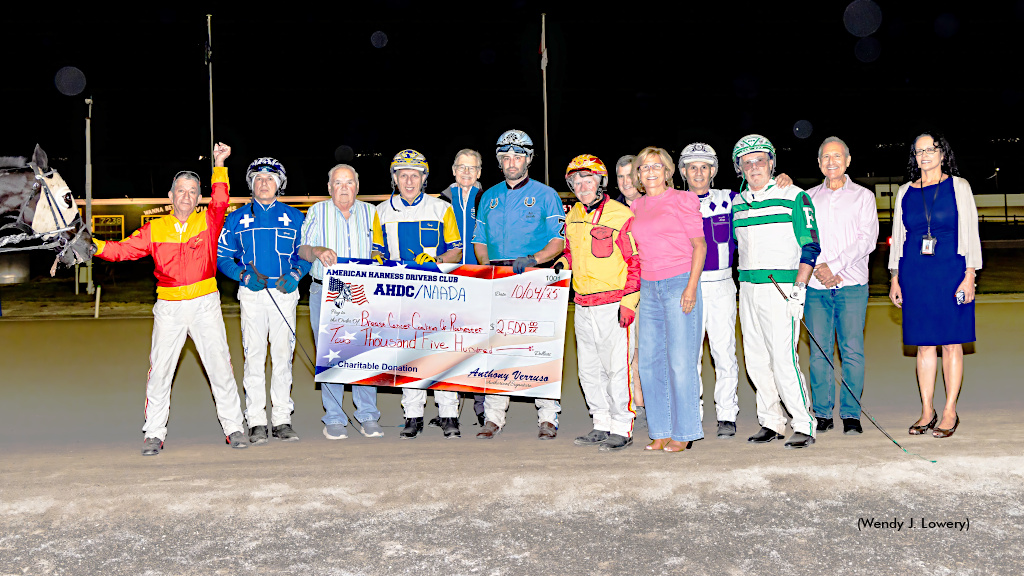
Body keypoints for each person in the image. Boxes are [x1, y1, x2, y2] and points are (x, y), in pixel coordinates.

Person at [92, 143, 247, 455]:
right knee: (160, 370)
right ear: (170, 196)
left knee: (220, 367)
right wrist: (91, 245)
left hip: (205, 303)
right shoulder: (154, 228)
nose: (186, 196)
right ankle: (154, 433)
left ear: (198, 197)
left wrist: (219, 163)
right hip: (169, 308)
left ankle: (234, 427)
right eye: (180, 190)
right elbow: (122, 250)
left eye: (192, 191)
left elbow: (221, 200)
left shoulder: (209, 220)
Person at [471, 129, 566, 440]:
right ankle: (494, 416)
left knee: (540, 347)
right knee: (499, 348)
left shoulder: (546, 194)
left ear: (529, 159)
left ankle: (548, 416)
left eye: (518, 156)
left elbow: (557, 242)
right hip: (499, 281)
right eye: (506, 157)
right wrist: (486, 271)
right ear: (500, 162)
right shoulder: (489, 196)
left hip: (534, 279)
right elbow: (479, 240)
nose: (512, 162)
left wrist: (534, 259)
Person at [888, 132, 980, 439]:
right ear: (914, 157)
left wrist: (970, 274)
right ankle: (927, 410)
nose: (924, 155)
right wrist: (894, 276)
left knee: (952, 343)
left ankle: (950, 410)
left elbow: (971, 231)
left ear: (943, 154)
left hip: (952, 271)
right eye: (919, 151)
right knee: (924, 344)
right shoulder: (904, 192)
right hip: (915, 273)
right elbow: (898, 238)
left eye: (931, 149)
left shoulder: (959, 186)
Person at [731, 134, 820, 449]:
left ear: (772, 163)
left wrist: (800, 288)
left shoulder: (794, 195)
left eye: (760, 160)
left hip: (781, 289)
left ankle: (804, 422)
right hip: (748, 289)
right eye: (747, 162)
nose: (754, 167)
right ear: (739, 168)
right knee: (755, 359)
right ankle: (771, 421)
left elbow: (811, 245)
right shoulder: (737, 204)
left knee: (784, 359)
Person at [217, 157, 311, 445]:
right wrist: (243, 276)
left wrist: (296, 274)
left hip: (284, 295)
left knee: (282, 358)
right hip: (253, 295)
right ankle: (256, 421)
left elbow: (306, 254)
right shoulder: (236, 218)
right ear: (251, 184)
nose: (264, 183)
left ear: (279, 184)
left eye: (270, 178)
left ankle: (282, 419)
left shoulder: (296, 217)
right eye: (258, 178)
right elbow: (222, 257)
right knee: (254, 358)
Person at [374, 149, 463, 439]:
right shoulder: (381, 212)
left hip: (437, 293)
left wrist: (438, 264)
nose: (409, 180)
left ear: (424, 178)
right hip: (402, 294)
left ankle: (449, 414)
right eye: (403, 175)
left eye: (415, 175)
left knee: (443, 351)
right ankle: (413, 415)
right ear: (394, 178)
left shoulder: (441, 208)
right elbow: (377, 253)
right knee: (408, 355)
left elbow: (456, 249)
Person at [555, 154, 640, 451]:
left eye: (587, 178)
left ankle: (622, 426)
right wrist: (561, 264)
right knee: (588, 369)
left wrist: (629, 302)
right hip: (582, 304)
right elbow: (570, 252)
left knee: (618, 368)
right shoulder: (573, 215)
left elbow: (635, 263)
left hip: (613, 304)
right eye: (575, 180)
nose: (581, 185)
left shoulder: (621, 215)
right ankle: (601, 422)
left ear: (600, 181)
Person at [298, 164, 386, 440]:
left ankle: (368, 415)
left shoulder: (371, 212)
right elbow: (301, 249)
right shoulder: (317, 211)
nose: (344, 188)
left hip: (363, 293)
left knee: (364, 353)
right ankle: (334, 417)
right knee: (330, 355)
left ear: (358, 186)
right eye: (338, 183)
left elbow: (380, 250)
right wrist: (317, 250)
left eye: (349, 183)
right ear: (329, 188)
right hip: (326, 290)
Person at [629, 146, 707, 452]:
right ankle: (660, 429)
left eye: (656, 166)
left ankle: (685, 431)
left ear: (668, 171)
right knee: (648, 363)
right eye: (644, 167)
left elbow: (699, 246)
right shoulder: (636, 206)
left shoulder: (682, 200)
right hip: (649, 288)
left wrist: (690, 287)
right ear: (638, 174)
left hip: (679, 284)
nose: (650, 172)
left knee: (680, 362)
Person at [805, 137, 879, 436]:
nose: (831, 162)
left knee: (851, 352)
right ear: (819, 162)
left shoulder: (863, 196)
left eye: (837, 156)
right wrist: (822, 270)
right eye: (825, 157)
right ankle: (822, 413)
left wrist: (833, 267)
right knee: (819, 352)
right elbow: (806, 237)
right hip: (816, 288)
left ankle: (851, 414)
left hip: (852, 285)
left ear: (848, 161)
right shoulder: (808, 197)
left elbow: (867, 240)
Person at [678, 143, 742, 439]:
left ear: (713, 171)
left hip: (721, 285)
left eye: (704, 166)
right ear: (683, 172)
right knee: (689, 356)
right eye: (692, 167)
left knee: (723, 352)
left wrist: (783, 181)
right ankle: (693, 414)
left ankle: (727, 414)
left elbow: (763, 194)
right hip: (687, 287)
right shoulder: (674, 203)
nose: (699, 172)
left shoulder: (730, 199)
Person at [438, 148, 488, 428]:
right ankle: (448, 406)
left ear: (480, 172)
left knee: (478, 345)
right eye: (461, 167)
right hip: (449, 281)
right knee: (448, 345)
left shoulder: (488, 199)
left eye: (472, 168)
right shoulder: (441, 201)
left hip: (479, 280)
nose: (466, 172)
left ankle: (481, 405)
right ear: (453, 170)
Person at [613, 154, 645, 429]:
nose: (626, 182)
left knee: (657, 350)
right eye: (620, 177)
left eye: (630, 175)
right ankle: (638, 405)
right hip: (627, 291)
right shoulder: (614, 211)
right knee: (631, 351)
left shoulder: (655, 203)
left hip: (657, 285)